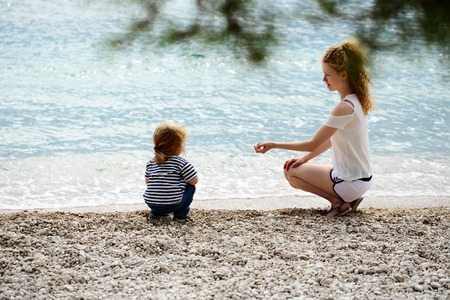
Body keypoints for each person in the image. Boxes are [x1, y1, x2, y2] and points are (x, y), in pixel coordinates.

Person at [254, 39, 374, 217]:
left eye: (328, 74)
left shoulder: (344, 107)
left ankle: (338, 203)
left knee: (291, 173)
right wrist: (305, 158)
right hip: (360, 181)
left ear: (343, 74)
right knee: (295, 167)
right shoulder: (357, 101)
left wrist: (273, 144)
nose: (323, 79)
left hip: (350, 183)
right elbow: (331, 141)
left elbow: (312, 143)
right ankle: (346, 201)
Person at [143, 121, 199, 222]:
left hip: (152, 203)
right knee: (190, 187)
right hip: (172, 204)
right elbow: (194, 181)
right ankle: (180, 216)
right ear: (175, 146)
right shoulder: (180, 162)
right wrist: (182, 181)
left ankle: (157, 214)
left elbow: (147, 182)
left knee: (158, 186)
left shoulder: (151, 162)